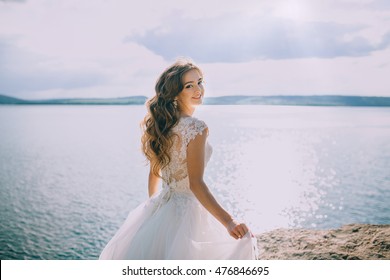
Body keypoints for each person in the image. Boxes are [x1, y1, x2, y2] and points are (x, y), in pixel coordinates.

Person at [99, 58, 258, 259]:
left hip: (164, 206)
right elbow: (196, 184)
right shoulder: (196, 127)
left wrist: (153, 208)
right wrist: (229, 221)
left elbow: (154, 173)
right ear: (175, 93)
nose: (198, 89)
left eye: (199, 82)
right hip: (188, 213)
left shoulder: (164, 126)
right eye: (188, 86)